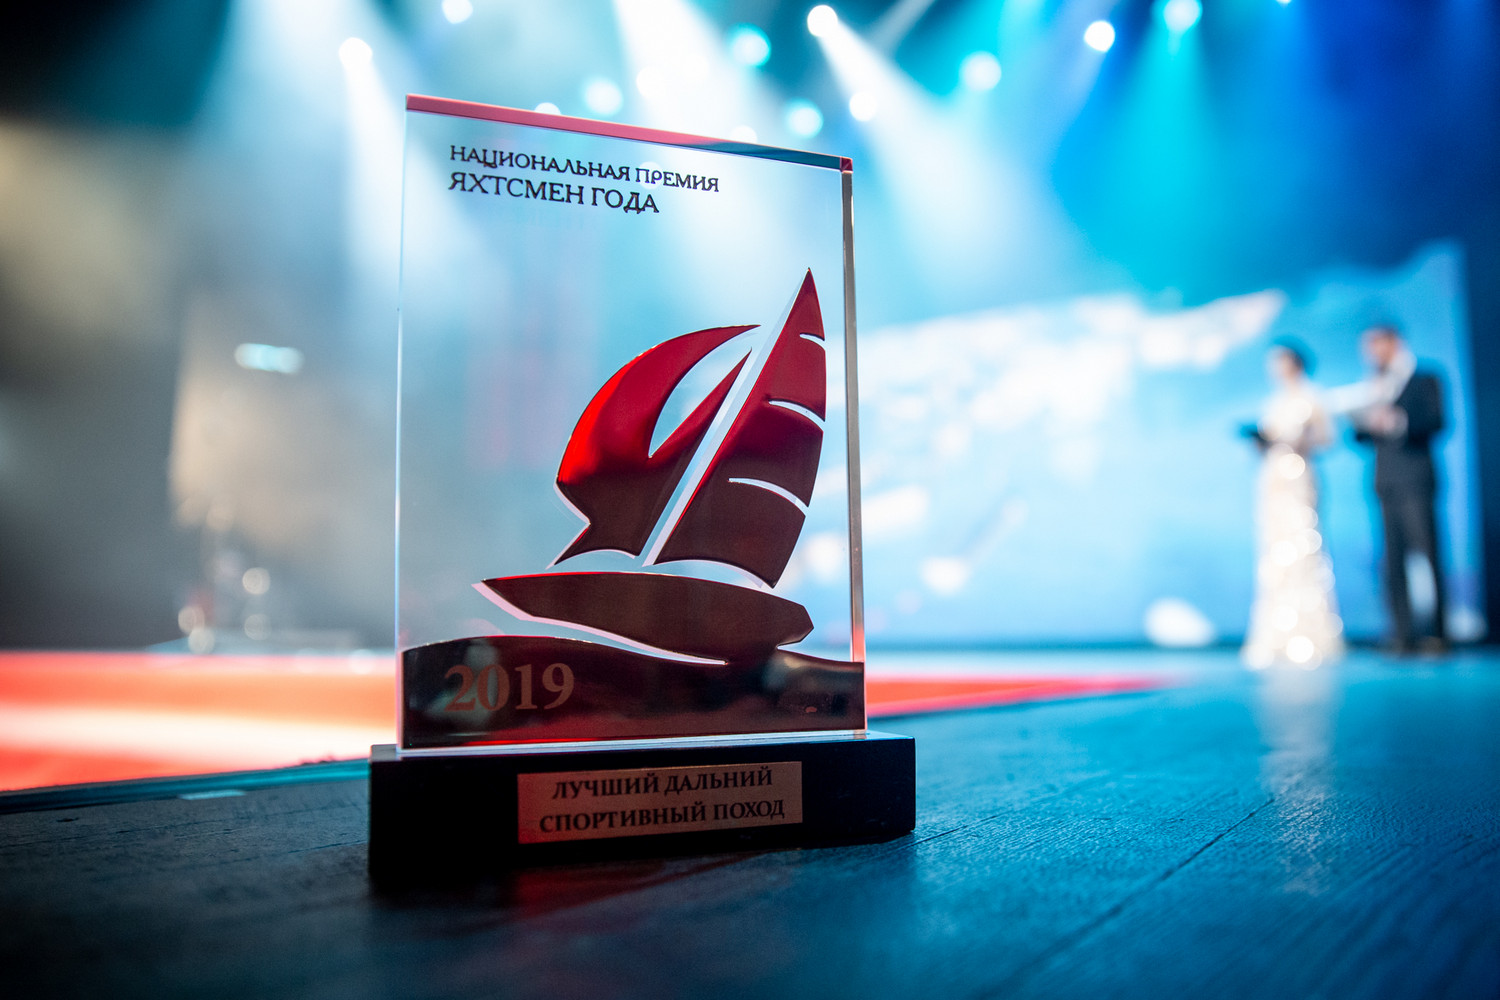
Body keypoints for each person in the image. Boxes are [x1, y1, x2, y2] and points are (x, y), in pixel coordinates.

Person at [1242, 341, 1345, 669]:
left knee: (1303, 548)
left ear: (1295, 362)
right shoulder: (1274, 401)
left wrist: (1301, 441)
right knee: (1275, 554)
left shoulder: (1312, 396)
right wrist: (1261, 443)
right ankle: (1276, 635)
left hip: (1298, 476)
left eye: (1279, 361)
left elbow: (1327, 439)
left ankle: (1310, 634)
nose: (1274, 368)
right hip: (1273, 479)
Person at [1347, 325, 1449, 655]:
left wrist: (1397, 420)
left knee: (1427, 554)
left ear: (1393, 342)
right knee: (1392, 560)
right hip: (1386, 480)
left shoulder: (1424, 378)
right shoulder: (1373, 384)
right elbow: (1360, 437)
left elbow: (1436, 422)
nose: (1370, 353)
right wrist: (1365, 419)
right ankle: (1402, 634)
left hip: (1416, 478)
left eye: (1375, 344)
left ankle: (1437, 633)